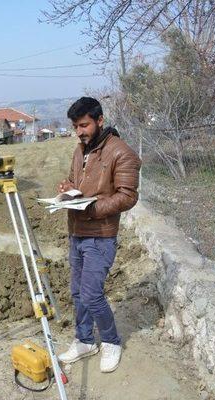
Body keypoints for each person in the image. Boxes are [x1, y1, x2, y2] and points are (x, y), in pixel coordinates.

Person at [57, 97, 141, 373]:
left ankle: (111, 341)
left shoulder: (122, 153)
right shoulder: (80, 150)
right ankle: (84, 341)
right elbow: (75, 180)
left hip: (101, 236)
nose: (79, 132)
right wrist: (67, 188)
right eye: (75, 126)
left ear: (100, 120)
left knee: (92, 294)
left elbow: (127, 197)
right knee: (78, 292)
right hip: (77, 232)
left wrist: (92, 208)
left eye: (84, 125)